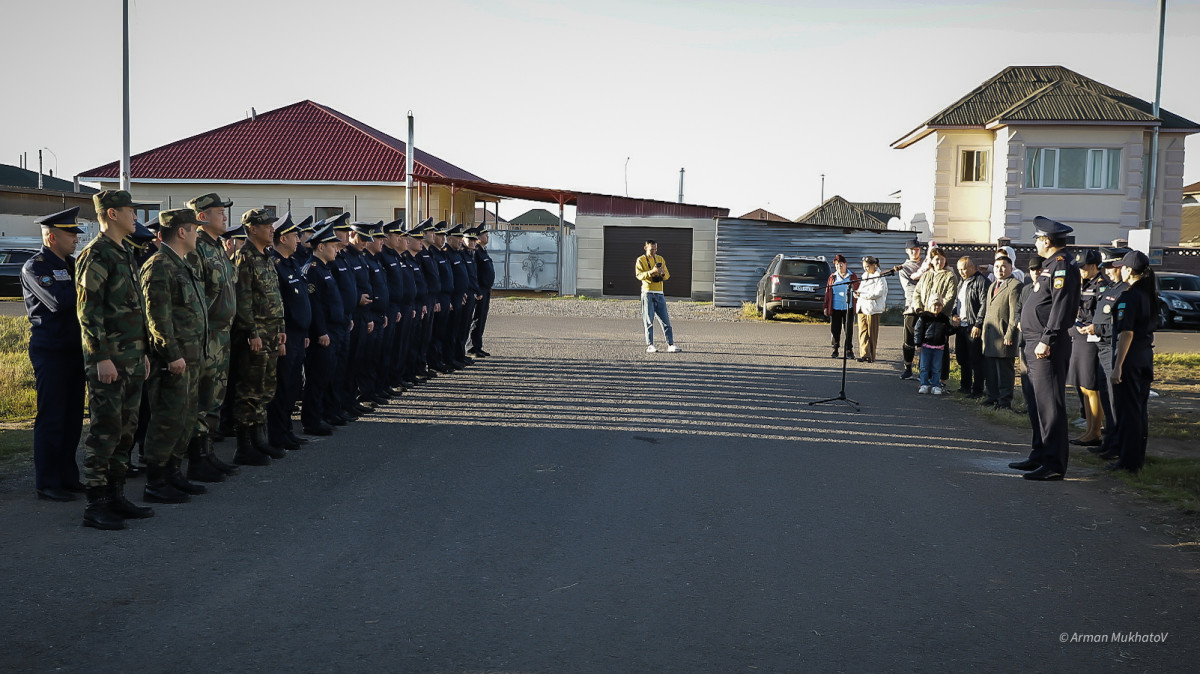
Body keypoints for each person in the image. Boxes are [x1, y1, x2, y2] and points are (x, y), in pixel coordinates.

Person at [75, 190, 155, 530]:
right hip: (110, 361)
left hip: (133, 358)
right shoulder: (96, 255)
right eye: (129, 210)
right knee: (105, 432)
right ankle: (96, 503)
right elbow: (88, 313)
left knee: (126, 430)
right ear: (110, 214)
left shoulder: (124, 251)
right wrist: (100, 358)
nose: (134, 216)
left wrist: (144, 353)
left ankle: (116, 493)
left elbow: (136, 310)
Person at [140, 208, 213, 503]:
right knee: (167, 420)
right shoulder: (159, 265)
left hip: (191, 357)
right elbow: (158, 318)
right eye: (194, 229)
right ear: (181, 232)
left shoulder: (181, 264)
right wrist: (171, 354)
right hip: (174, 361)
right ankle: (156, 482)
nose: (197, 234)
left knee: (184, 418)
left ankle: (173, 474)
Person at [21, 207, 87, 502]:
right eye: (70, 233)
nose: (76, 238)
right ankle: (47, 482)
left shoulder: (73, 265)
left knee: (73, 417)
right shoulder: (36, 267)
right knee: (52, 416)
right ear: (51, 237)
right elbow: (60, 302)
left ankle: (68, 477)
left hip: (75, 350)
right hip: (51, 351)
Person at [1008, 217, 1081, 481]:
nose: (1036, 243)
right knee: (1038, 404)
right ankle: (1039, 454)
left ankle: (1054, 464)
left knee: (1051, 405)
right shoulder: (1050, 265)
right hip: (1034, 342)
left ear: (1047, 241)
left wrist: (1047, 339)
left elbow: (1061, 306)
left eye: (1038, 239)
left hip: (1046, 345)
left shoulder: (1062, 266)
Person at [187, 192, 240, 476]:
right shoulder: (196, 248)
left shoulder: (218, 247)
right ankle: (197, 459)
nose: (225, 216)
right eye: (220, 212)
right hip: (206, 336)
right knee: (202, 399)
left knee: (214, 399)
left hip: (223, 334)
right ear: (202, 216)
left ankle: (208, 455)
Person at [230, 208, 286, 465]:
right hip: (256, 336)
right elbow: (243, 300)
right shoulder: (244, 258)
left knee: (265, 389)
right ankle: (245, 447)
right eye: (267, 225)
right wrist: (251, 332)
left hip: (271, 334)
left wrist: (281, 329)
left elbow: (274, 297)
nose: (272, 229)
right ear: (252, 229)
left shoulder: (266, 256)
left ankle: (260, 441)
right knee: (249, 391)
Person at [1107, 251, 1157, 473]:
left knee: (1128, 412)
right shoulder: (1149, 294)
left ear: (1128, 270)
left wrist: (1118, 366)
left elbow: (1126, 333)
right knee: (1139, 410)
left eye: (1122, 267)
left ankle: (1128, 462)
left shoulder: (1129, 296)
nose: (1120, 271)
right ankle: (1137, 458)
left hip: (1130, 358)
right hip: (1145, 356)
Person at [267, 214, 312, 451]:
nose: (299, 239)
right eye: (295, 235)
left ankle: (287, 431)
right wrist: (281, 335)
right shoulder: (275, 265)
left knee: (293, 386)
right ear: (282, 238)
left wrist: (304, 332)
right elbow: (278, 305)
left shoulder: (292, 263)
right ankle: (277, 434)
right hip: (285, 337)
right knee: (282, 388)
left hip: (297, 335)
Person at [300, 224, 345, 435]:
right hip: (324, 333)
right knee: (317, 378)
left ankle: (326, 413)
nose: (336, 249)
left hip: (334, 329)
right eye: (333, 245)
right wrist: (320, 331)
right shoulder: (313, 270)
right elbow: (314, 305)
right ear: (320, 247)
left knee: (328, 375)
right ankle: (312, 420)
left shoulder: (325, 268)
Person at [1088, 247, 1131, 461]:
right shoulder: (1112, 288)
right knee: (1106, 397)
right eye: (1105, 267)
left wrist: (1097, 329)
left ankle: (1116, 445)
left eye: (1111, 267)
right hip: (1102, 348)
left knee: (1115, 401)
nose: (1107, 271)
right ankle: (1109, 441)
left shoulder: (1125, 290)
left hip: (1112, 348)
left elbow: (1121, 327)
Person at [1067, 249, 1105, 447]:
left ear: (1093, 266)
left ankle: (1095, 431)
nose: (1080, 271)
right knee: (1082, 386)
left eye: (1083, 267)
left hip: (1092, 339)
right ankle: (1089, 428)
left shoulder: (1101, 285)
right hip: (1080, 338)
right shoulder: (1083, 284)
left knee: (1091, 387)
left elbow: (1101, 313)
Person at [912, 247, 959, 387]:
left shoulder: (949, 275)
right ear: (931, 260)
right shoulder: (926, 275)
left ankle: (941, 380)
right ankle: (925, 379)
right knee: (925, 347)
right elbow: (917, 293)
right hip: (926, 317)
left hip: (941, 318)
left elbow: (951, 296)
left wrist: (938, 311)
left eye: (942, 259)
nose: (939, 262)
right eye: (936, 259)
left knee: (941, 350)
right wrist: (920, 309)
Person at [980, 255, 1021, 410]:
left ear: (1011, 268)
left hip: (1004, 336)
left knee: (1004, 371)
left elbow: (1014, 313)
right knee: (990, 370)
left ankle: (1004, 401)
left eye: (1004, 266)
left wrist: (1010, 334)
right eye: (997, 266)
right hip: (990, 335)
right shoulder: (992, 285)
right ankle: (992, 397)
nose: (1000, 269)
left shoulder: (1014, 285)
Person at [952, 256, 990, 397]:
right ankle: (965, 386)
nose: (961, 272)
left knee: (976, 359)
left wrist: (978, 324)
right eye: (959, 269)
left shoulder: (981, 281)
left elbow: (984, 304)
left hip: (973, 326)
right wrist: (954, 314)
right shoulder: (962, 282)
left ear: (973, 267)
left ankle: (978, 389)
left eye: (964, 268)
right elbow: (958, 302)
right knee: (962, 358)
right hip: (961, 325)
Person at [636, 240, 678, 353]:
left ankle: (671, 344)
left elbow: (667, 275)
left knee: (666, 320)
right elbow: (639, 275)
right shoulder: (641, 260)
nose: (654, 251)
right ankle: (650, 345)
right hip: (647, 292)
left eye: (655, 249)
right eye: (651, 249)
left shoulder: (660, 259)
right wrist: (651, 272)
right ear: (645, 248)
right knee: (649, 320)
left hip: (660, 293)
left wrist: (662, 273)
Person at [898, 238, 931, 379]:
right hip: (911, 306)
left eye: (917, 249)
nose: (914, 252)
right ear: (907, 251)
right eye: (911, 249)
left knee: (926, 339)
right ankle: (908, 367)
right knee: (909, 339)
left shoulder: (928, 263)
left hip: (928, 306)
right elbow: (909, 287)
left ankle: (925, 370)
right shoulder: (903, 268)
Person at [823, 254, 859, 359]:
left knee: (849, 330)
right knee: (835, 329)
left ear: (845, 264)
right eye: (837, 265)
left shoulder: (852, 276)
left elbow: (858, 291)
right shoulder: (832, 277)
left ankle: (849, 349)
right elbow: (828, 292)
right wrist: (825, 306)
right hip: (836, 307)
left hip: (848, 307)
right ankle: (835, 349)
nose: (839, 267)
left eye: (841, 264)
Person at [853, 256, 887, 363]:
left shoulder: (880, 277)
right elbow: (861, 290)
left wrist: (863, 295)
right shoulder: (864, 276)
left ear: (874, 265)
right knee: (862, 331)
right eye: (864, 267)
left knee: (872, 332)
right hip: (862, 307)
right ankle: (864, 354)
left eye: (868, 266)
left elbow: (879, 293)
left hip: (873, 308)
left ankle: (872, 355)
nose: (866, 269)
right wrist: (857, 293)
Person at [468, 225, 495, 357]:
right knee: (477, 318)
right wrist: (477, 290)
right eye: (485, 234)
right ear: (478, 238)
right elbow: (475, 273)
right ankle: (472, 347)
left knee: (482, 318)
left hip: (486, 289)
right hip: (480, 290)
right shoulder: (477, 252)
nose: (487, 236)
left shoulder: (484, 251)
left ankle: (478, 346)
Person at [914, 300, 951, 394]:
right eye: (935, 305)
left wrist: (956, 326)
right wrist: (918, 344)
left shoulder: (944, 318)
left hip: (939, 347)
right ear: (930, 306)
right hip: (926, 345)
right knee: (924, 366)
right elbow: (918, 331)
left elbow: (948, 331)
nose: (937, 308)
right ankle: (924, 384)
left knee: (937, 367)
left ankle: (936, 385)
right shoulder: (924, 317)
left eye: (939, 306)